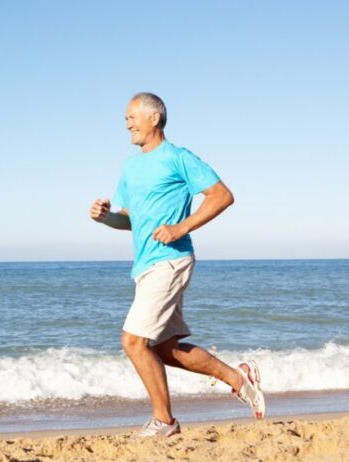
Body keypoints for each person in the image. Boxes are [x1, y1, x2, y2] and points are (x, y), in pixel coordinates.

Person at [89, 92, 266, 437]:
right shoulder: (130, 165)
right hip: (145, 266)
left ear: (154, 118)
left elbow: (222, 195)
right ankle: (238, 377)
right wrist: (105, 217)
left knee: (133, 342)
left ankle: (165, 422)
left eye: (131, 117)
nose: (126, 123)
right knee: (164, 349)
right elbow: (129, 219)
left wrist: (181, 227)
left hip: (171, 261)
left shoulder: (178, 158)